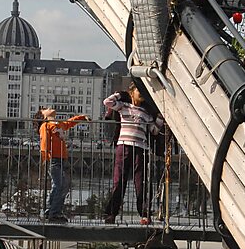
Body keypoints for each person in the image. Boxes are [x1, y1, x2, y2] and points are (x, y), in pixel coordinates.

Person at [102, 86, 163, 224]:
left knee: (141, 181)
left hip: (141, 148)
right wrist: (119, 94)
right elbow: (107, 102)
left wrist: (159, 118)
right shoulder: (124, 106)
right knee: (119, 180)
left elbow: (153, 130)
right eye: (138, 90)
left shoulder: (146, 112)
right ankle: (111, 213)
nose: (140, 93)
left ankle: (144, 214)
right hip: (124, 145)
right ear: (132, 92)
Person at [38, 107, 88, 222]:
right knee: (60, 185)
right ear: (44, 115)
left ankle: (50, 211)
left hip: (61, 159)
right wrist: (46, 157)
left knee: (60, 185)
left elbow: (69, 123)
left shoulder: (58, 124)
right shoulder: (46, 126)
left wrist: (82, 117)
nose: (49, 108)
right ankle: (53, 213)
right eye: (46, 109)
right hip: (53, 159)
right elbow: (44, 143)